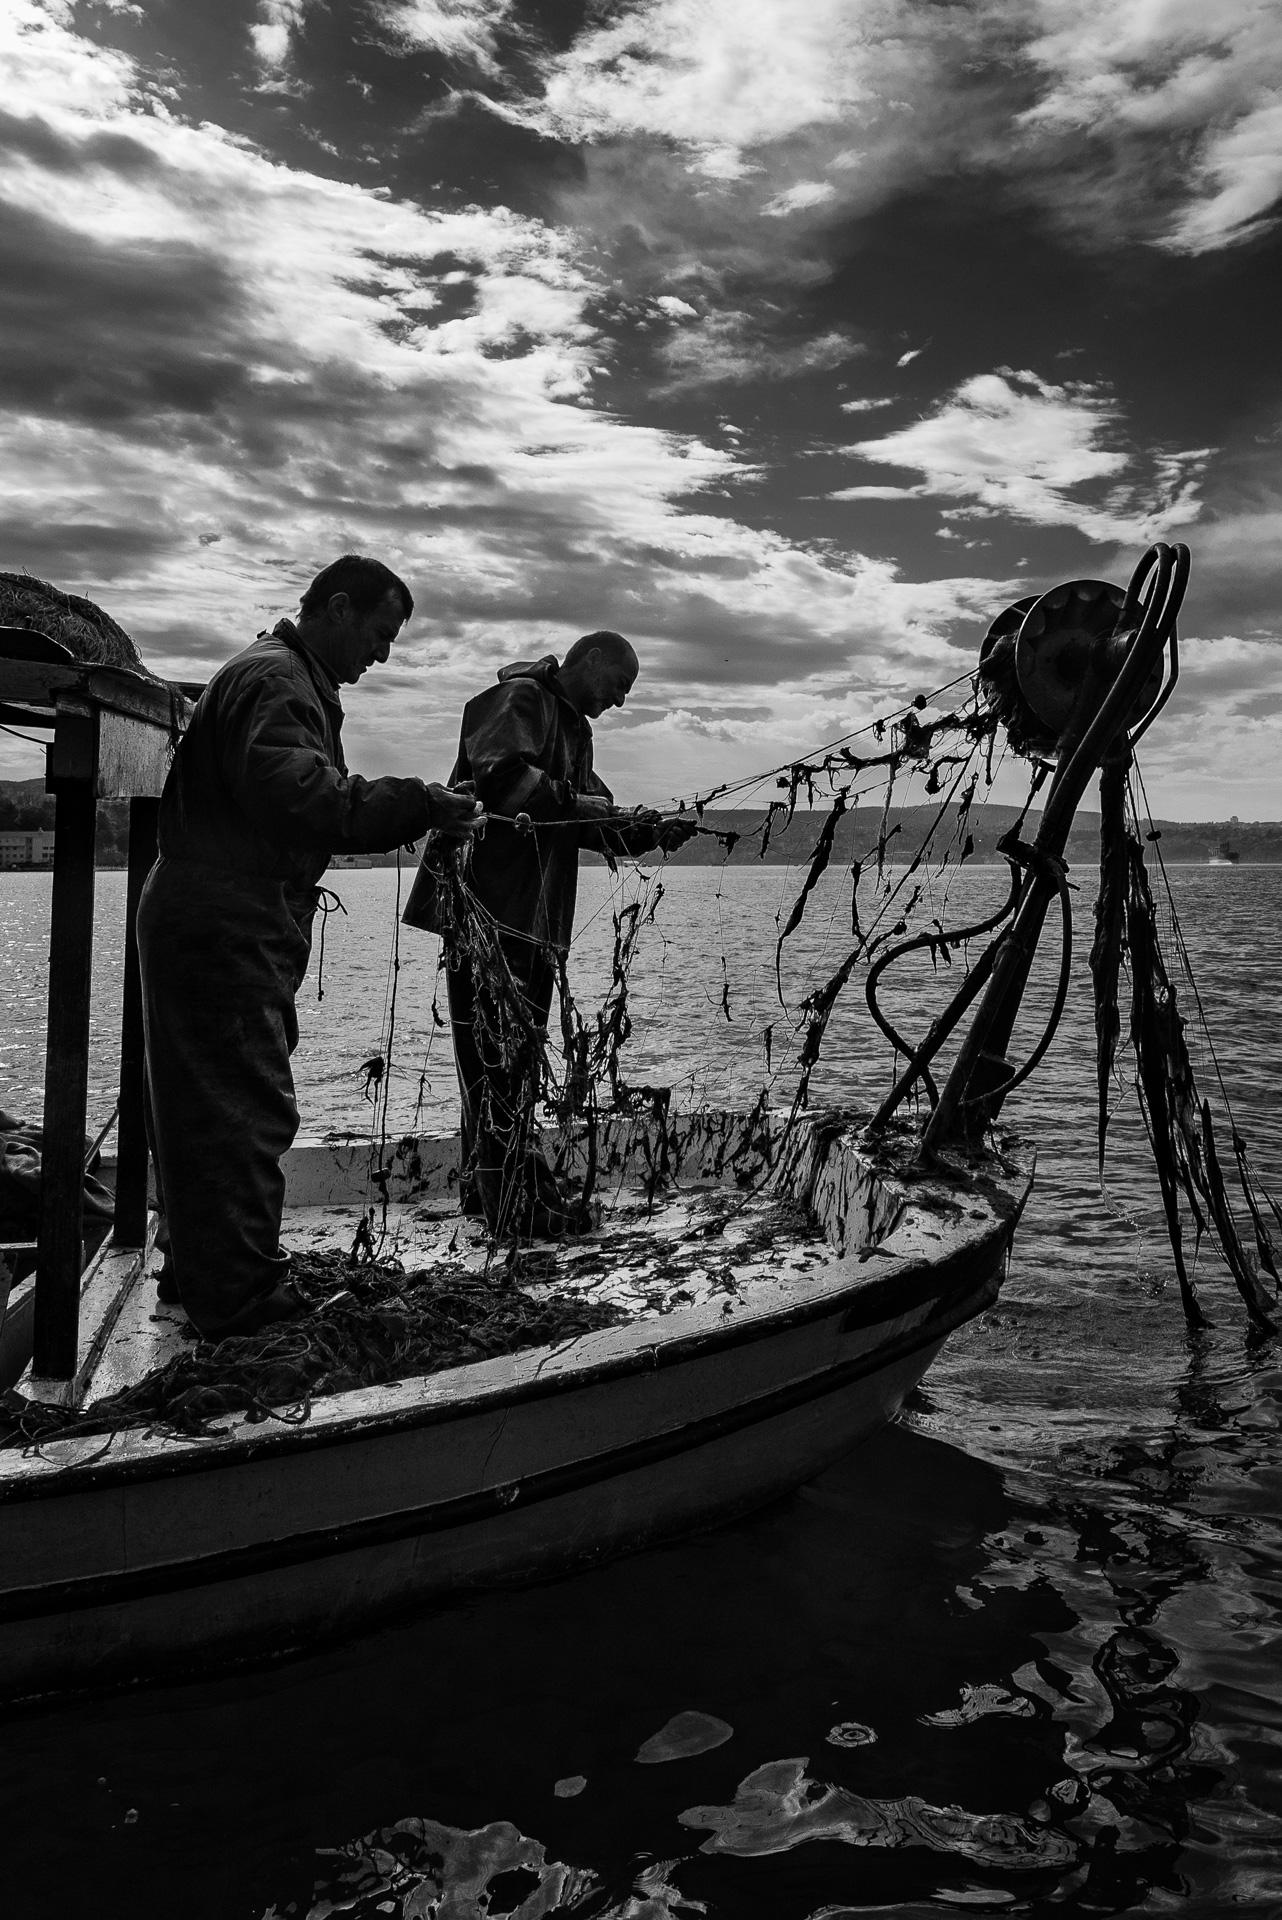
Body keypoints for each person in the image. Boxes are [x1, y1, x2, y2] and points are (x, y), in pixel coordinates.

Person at [137, 554, 480, 1339]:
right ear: (336, 606)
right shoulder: (278, 681)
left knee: (204, 1111)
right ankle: (245, 1304)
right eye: (380, 634)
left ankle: (201, 1275)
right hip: (226, 920)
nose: (383, 654)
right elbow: (300, 795)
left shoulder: (279, 675)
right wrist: (423, 803)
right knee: (243, 1110)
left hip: (217, 914)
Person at [402, 629, 695, 1236]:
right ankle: (511, 1201)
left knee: (512, 1063)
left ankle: (496, 1192)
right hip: (488, 915)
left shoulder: (574, 730)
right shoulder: (519, 701)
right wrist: (590, 809)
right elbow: (503, 783)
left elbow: (581, 814)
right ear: (590, 661)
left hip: (532, 923)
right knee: (495, 1061)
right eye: (620, 685)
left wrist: (640, 830)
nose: (619, 701)